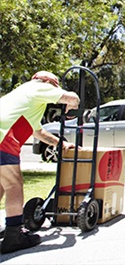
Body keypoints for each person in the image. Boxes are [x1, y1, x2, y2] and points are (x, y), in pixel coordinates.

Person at [0, 71, 80, 254]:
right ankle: (14, 235)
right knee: (14, 184)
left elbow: (39, 132)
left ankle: (12, 229)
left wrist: (62, 143)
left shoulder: (26, 99)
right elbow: (73, 97)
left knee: (2, 185)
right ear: (49, 83)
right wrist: (69, 103)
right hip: (4, 137)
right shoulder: (39, 87)